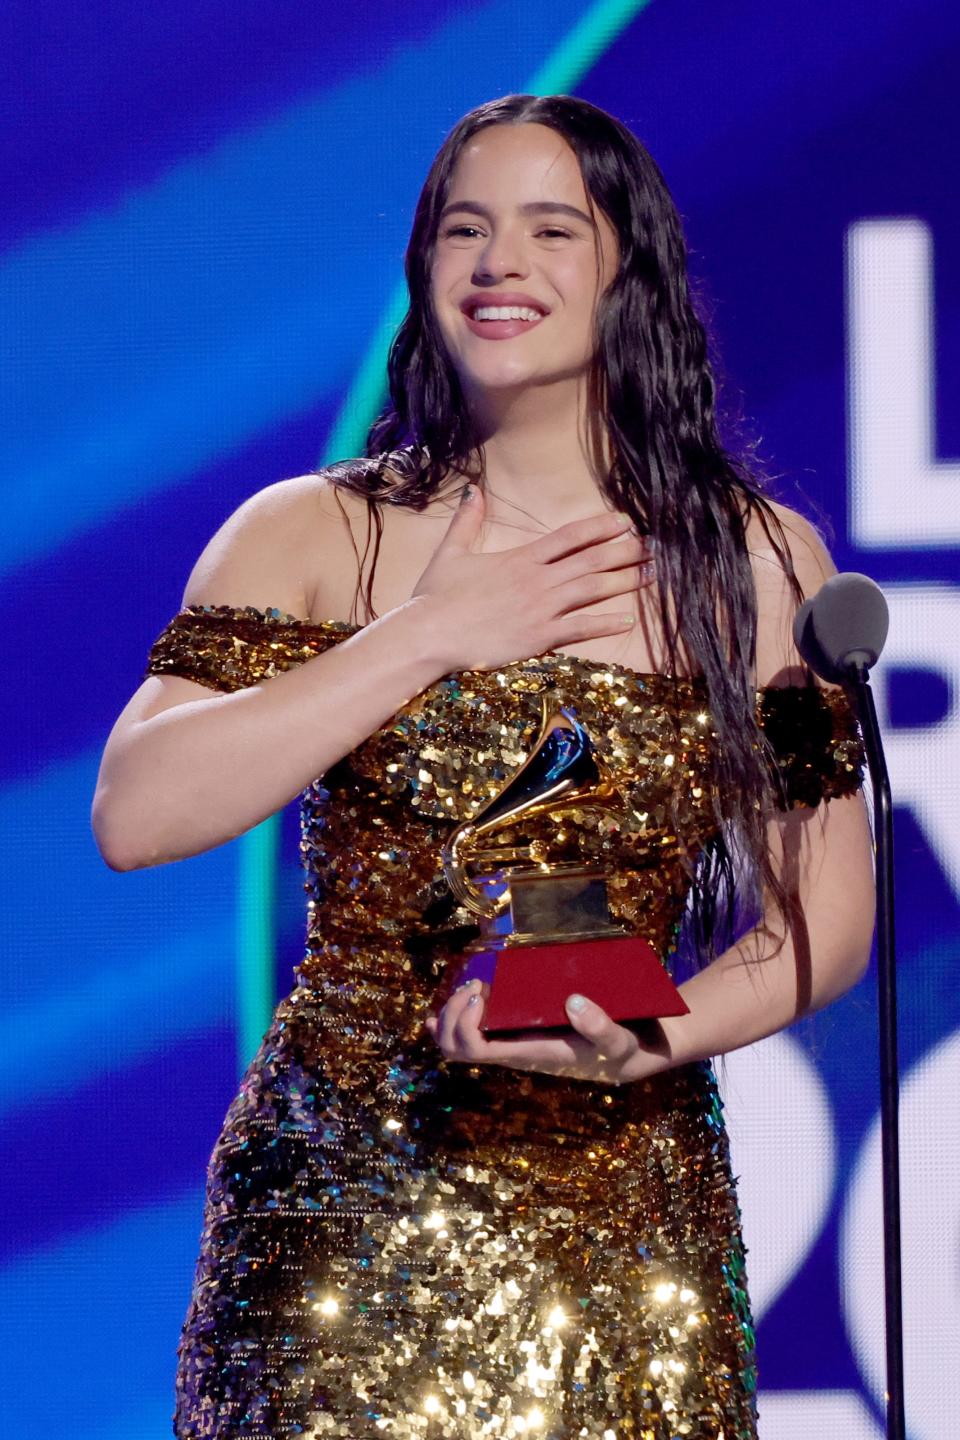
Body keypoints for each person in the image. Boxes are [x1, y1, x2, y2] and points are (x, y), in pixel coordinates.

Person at [93, 93, 875, 1440]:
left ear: (630, 270)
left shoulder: (755, 561)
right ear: (423, 271)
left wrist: (648, 1043)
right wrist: (430, 634)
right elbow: (135, 811)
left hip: (632, 1228)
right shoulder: (318, 532)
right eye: (465, 229)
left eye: (549, 229)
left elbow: (829, 917)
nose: (497, 264)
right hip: (343, 1212)